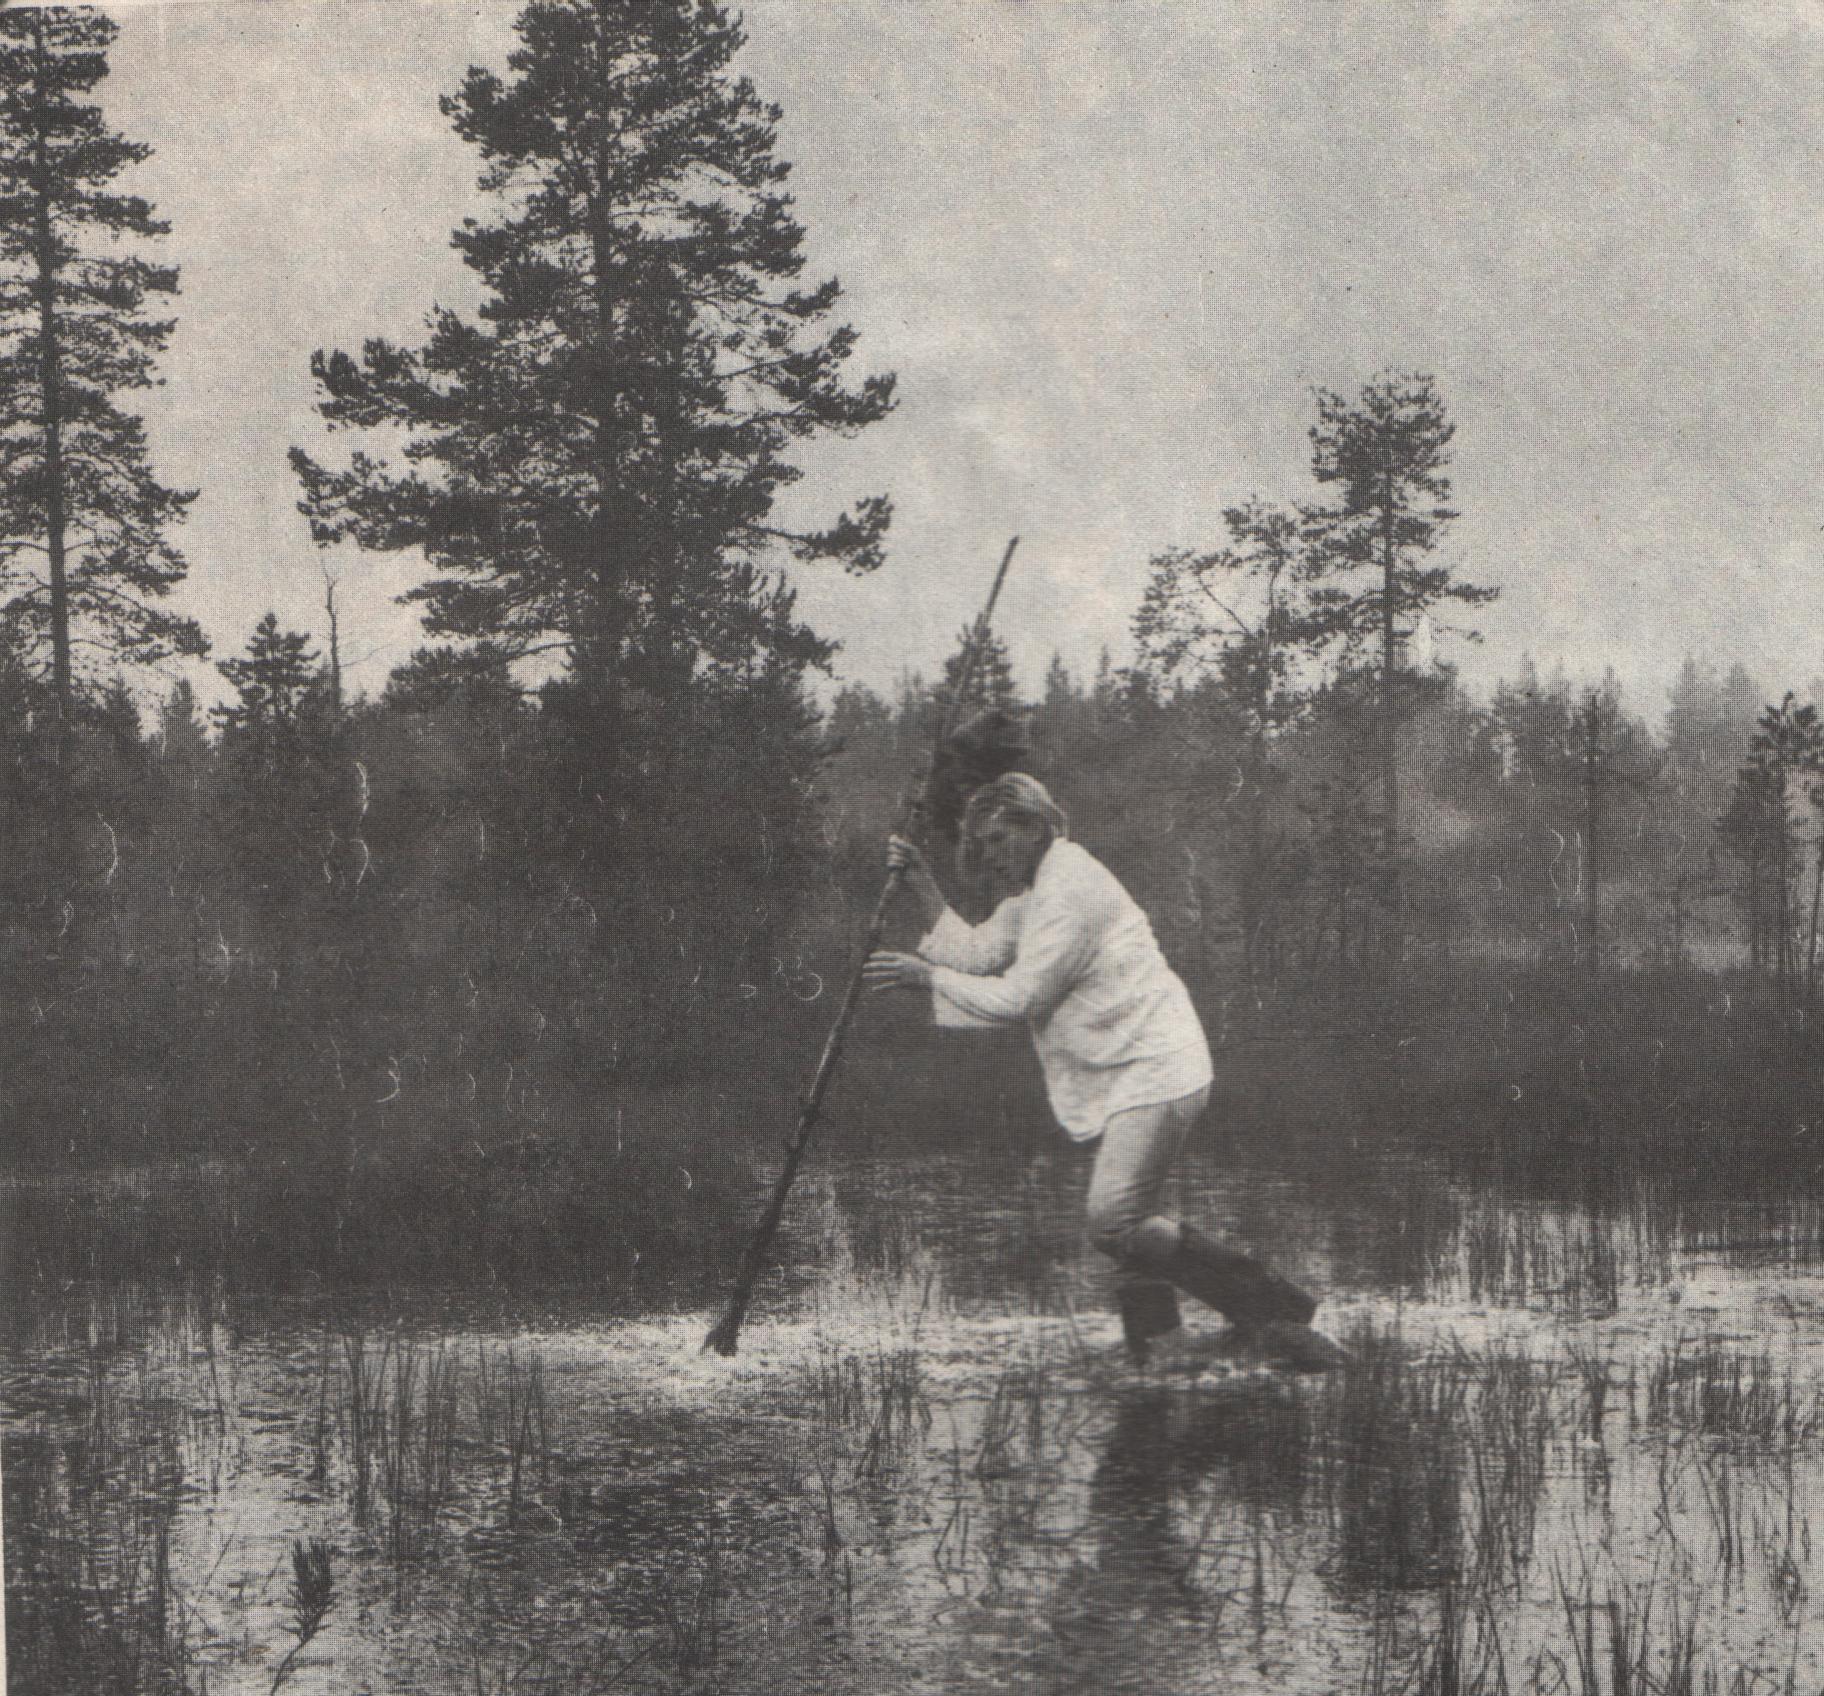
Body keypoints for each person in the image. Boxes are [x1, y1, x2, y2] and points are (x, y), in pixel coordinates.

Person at [863, 772, 1334, 1370]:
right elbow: (978, 955)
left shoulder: (1069, 890)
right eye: (984, 844)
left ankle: (1267, 1309)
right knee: (1123, 1220)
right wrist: (922, 883)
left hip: (1160, 1064)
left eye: (1002, 838)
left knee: (1113, 1217)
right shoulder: (1037, 894)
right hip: (1130, 1066)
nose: (992, 854)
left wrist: (925, 977)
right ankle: (1165, 1351)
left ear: (1038, 827)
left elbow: (1020, 1000)